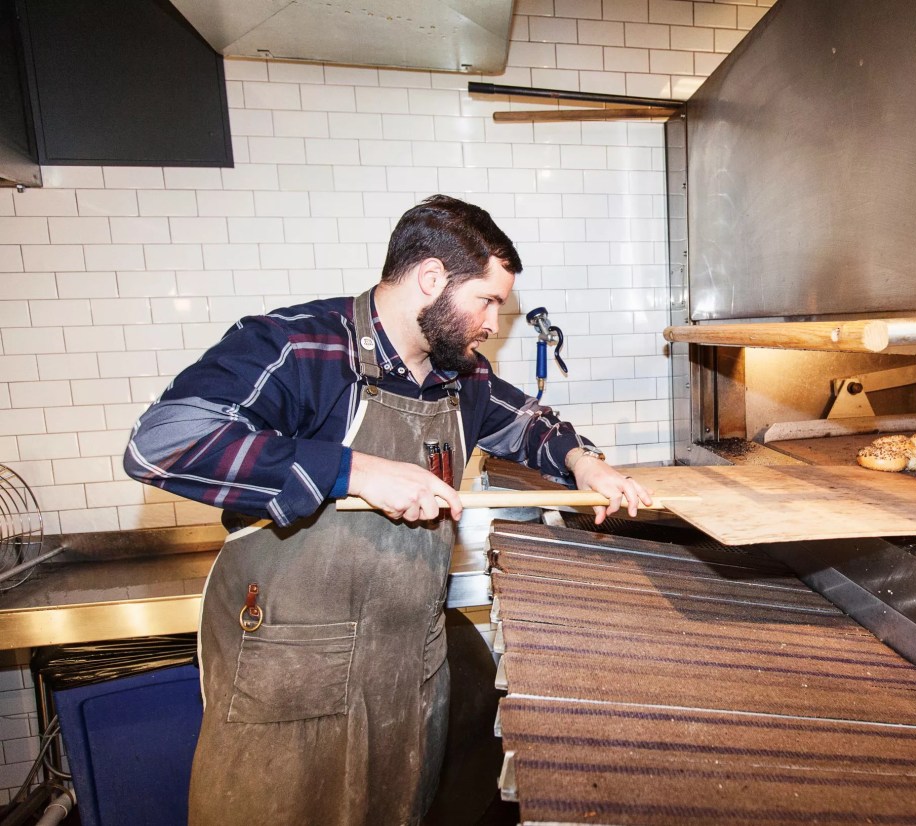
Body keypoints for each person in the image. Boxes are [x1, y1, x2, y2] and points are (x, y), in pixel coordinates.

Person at [124, 194, 652, 826]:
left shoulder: (459, 378)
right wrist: (352, 471)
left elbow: (529, 424)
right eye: (485, 300)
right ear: (431, 279)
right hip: (292, 683)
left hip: (408, 675)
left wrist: (583, 462)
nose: (491, 322)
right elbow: (159, 442)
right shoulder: (301, 348)